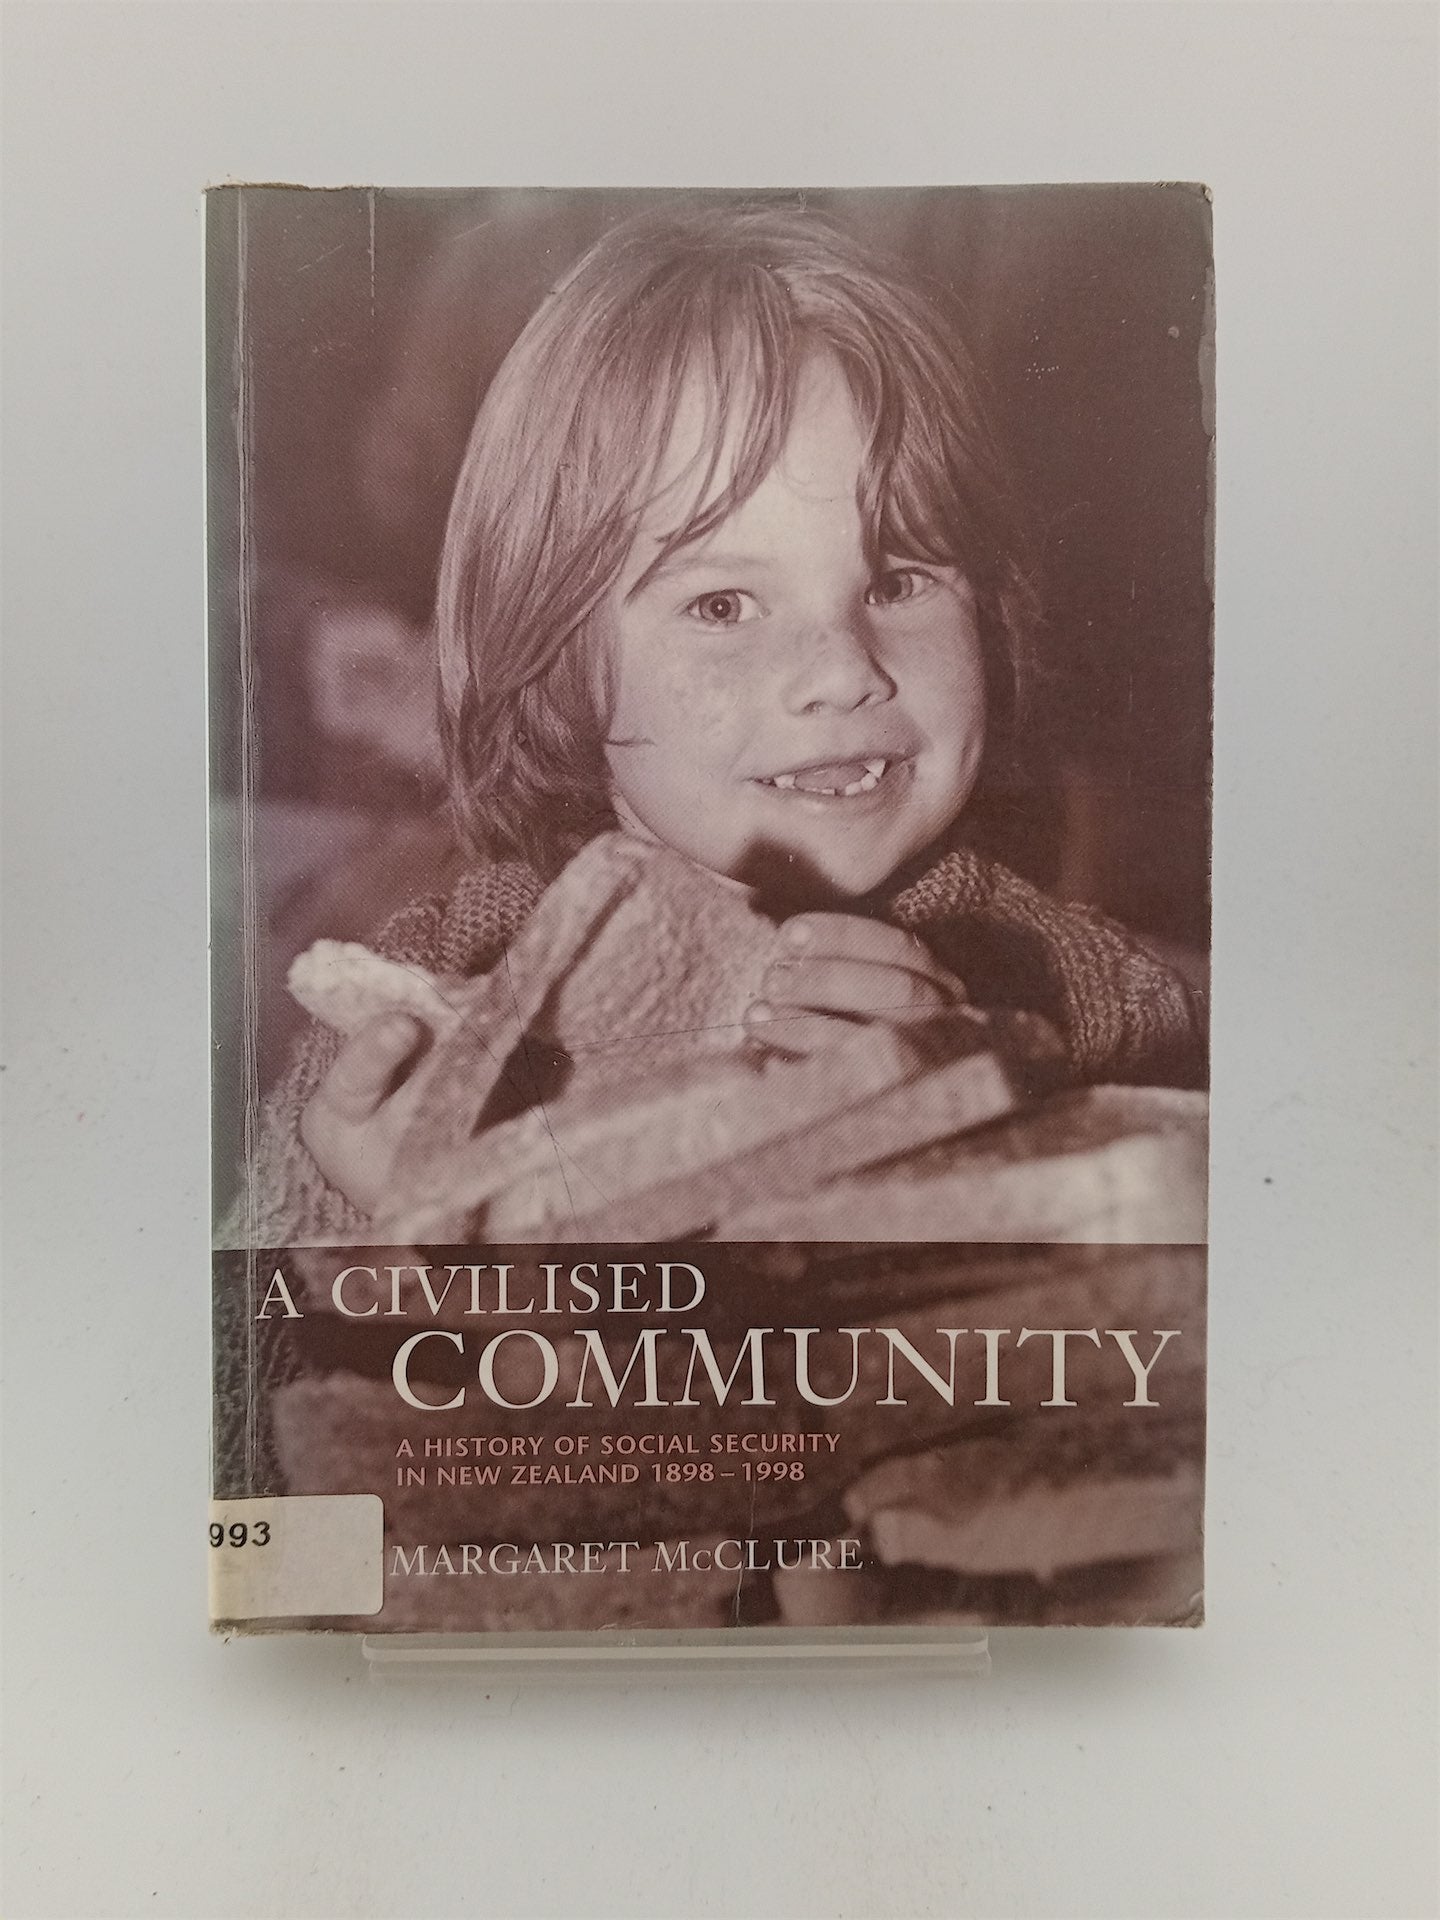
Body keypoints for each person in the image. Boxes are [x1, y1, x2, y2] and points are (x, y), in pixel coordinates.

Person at [237, 204, 1205, 1248]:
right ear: (556, 663)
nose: (843, 671)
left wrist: (985, 1126)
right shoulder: (432, 1000)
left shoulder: (1091, 996)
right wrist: (383, 1218)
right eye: (723, 605)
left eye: (899, 580)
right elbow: (263, 1333)